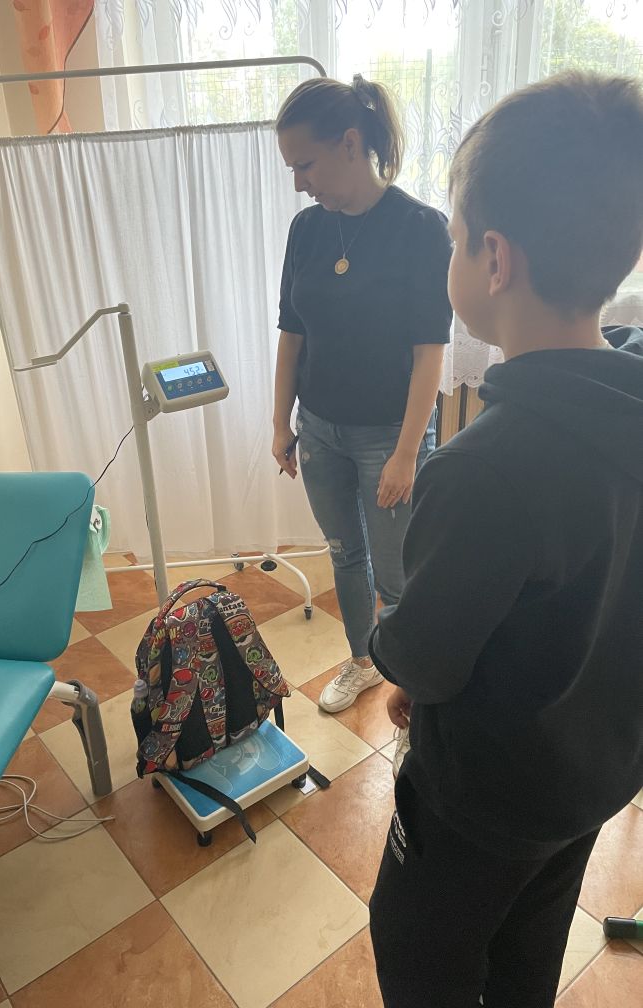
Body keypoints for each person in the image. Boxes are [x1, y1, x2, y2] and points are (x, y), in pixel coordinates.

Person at [368, 71, 643, 1007]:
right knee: (529, 949)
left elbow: (424, 659)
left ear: (494, 259)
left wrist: (395, 654)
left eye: (454, 239)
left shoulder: (483, 469)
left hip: (481, 806)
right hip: (592, 778)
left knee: (421, 949)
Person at [273, 75, 452, 713]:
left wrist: (406, 453)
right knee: (344, 553)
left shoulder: (421, 228)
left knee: (399, 574)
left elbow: (430, 351)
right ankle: (362, 661)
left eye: (306, 164)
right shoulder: (307, 230)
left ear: (350, 143)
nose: (300, 182)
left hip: (389, 436)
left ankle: (411, 697)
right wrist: (280, 422)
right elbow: (291, 333)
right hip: (319, 428)